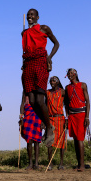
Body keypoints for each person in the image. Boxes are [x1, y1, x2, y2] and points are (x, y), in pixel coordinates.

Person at [21, 8, 60, 146]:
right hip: (28, 64)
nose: (30, 17)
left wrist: (49, 58)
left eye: (32, 15)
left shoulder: (44, 28)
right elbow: (25, 48)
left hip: (40, 62)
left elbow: (57, 43)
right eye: (29, 15)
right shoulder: (24, 33)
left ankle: (49, 128)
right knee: (31, 101)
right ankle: (47, 123)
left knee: (39, 98)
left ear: (37, 17)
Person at [65, 68, 90, 172]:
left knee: (80, 139)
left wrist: (87, 117)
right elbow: (66, 103)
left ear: (75, 74)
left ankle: (82, 165)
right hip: (72, 115)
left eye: (72, 73)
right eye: (68, 73)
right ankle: (79, 163)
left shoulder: (82, 85)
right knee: (75, 139)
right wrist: (67, 117)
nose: (70, 75)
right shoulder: (67, 87)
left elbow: (88, 101)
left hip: (81, 114)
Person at [46, 76, 67, 170]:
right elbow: (45, 106)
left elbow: (67, 105)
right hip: (50, 119)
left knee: (62, 141)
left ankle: (61, 163)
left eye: (54, 81)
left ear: (58, 82)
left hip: (60, 118)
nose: (52, 82)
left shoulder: (62, 92)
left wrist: (67, 118)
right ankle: (50, 163)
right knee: (49, 141)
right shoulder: (47, 92)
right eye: (50, 81)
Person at [20, 94, 42, 170]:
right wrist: (21, 117)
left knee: (36, 141)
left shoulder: (38, 90)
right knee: (29, 141)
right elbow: (22, 104)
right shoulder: (25, 90)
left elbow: (42, 104)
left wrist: (43, 120)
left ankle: (36, 163)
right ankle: (30, 163)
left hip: (37, 117)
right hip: (27, 117)